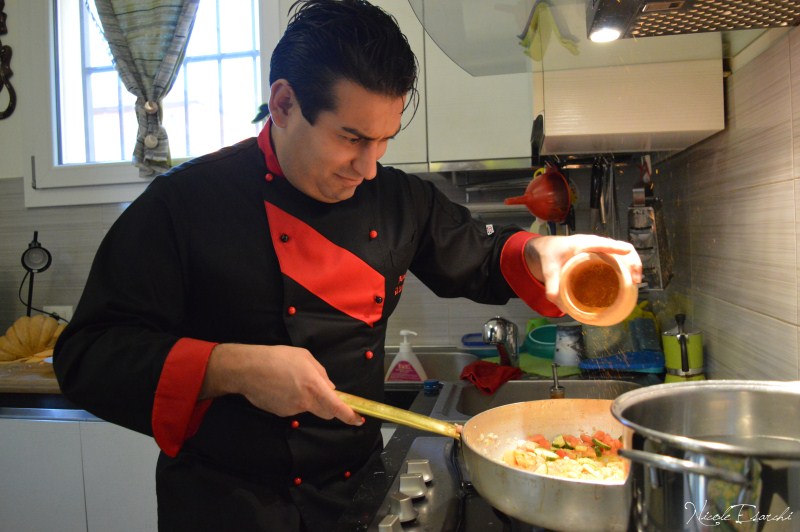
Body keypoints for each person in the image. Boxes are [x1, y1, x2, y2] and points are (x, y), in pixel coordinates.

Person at [53, 1, 642, 530]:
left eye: (385, 140)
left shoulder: (399, 200)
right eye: (352, 138)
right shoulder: (183, 204)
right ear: (284, 103)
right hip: (224, 504)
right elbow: (89, 357)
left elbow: (483, 255)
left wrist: (539, 252)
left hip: (357, 496)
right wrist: (231, 367)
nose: (368, 167)